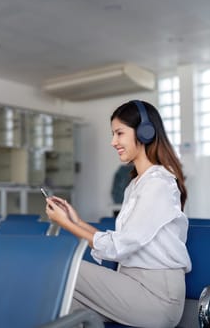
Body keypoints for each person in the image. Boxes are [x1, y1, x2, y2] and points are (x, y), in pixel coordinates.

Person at [45, 99, 191, 328]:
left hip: (157, 297)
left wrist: (67, 224)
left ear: (145, 133)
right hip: (129, 285)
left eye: (119, 133)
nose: (113, 142)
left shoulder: (159, 184)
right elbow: (119, 241)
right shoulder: (136, 184)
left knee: (58, 265)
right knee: (59, 305)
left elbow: (120, 246)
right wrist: (76, 220)